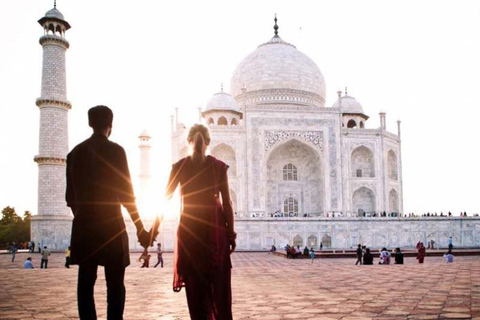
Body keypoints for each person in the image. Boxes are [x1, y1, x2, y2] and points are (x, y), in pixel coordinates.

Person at [66, 105, 157, 320]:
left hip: (84, 228)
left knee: (85, 284)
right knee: (115, 285)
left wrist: (85, 216)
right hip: (112, 228)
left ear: (90, 123)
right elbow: (126, 195)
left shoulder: (74, 154)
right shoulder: (116, 151)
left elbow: (70, 199)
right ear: (111, 125)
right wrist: (141, 229)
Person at [166, 124, 236, 320]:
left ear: (188, 141)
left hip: (190, 234)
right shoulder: (218, 166)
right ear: (209, 143)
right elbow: (227, 204)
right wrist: (231, 234)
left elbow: (165, 198)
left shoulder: (179, 166)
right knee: (219, 289)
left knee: (196, 291)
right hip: (215, 233)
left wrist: (150, 232)